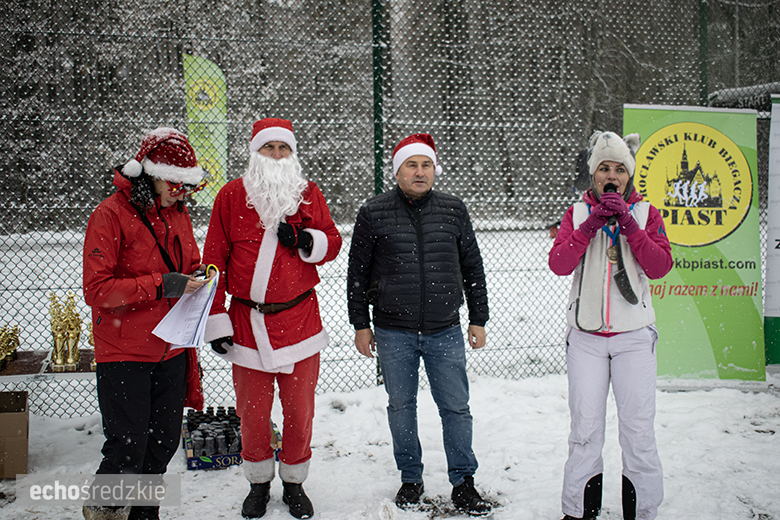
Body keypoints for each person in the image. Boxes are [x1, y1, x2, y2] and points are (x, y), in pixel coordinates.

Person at [202, 118, 341, 519]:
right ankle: (259, 482)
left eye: (283, 149)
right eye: (269, 148)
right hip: (246, 322)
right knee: (253, 413)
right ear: (254, 153)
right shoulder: (230, 196)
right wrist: (215, 319)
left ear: (292, 154)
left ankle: (295, 482)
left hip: (299, 320)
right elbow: (214, 259)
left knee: (300, 411)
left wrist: (304, 240)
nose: (277, 156)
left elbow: (331, 241)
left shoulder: (308, 194)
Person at [347, 133, 492, 516]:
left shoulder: (453, 210)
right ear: (398, 171)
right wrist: (361, 324)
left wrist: (478, 318)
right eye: (412, 165)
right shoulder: (373, 212)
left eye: (426, 165)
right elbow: (357, 274)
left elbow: (472, 268)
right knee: (401, 406)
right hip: (394, 331)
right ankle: (410, 478)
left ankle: (464, 482)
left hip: (445, 329)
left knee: (456, 407)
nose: (420, 172)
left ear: (434, 170)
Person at [82, 128, 209, 520]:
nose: (181, 193)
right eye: (175, 184)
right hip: (125, 349)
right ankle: (104, 506)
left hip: (171, 345)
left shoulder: (178, 213)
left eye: (189, 187)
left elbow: (183, 265)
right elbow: (97, 289)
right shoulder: (109, 214)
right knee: (127, 445)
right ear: (150, 174)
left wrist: (198, 275)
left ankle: (144, 512)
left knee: (163, 441)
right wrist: (161, 285)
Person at [548, 131, 672, 520]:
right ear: (593, 175)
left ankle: (644, 509)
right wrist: (590, 227)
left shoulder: (647, 213)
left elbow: (659, 266)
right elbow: (559, 264)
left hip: (633, 337)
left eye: (620, 168)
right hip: (586, 338)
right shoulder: (577, 213)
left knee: (637, 429)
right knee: (585, 428)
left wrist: (628, 225)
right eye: (604, 168)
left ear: (629, 175)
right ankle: (577, 509)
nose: (612, 174)